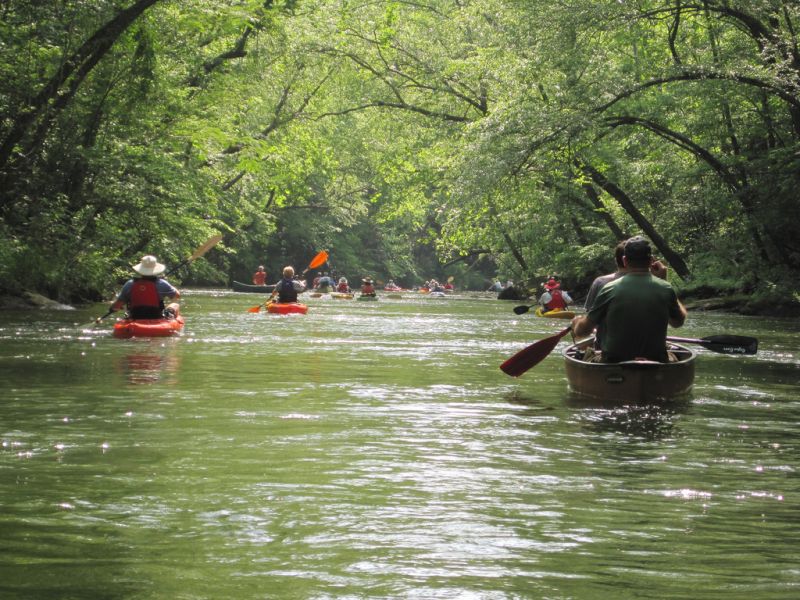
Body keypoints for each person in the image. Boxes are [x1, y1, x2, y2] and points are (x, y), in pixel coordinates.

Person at [571, 236, 687, 363]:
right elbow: (678, 322)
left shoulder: (609, 289)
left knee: (587, 354)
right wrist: (664, 281)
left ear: (625, 261)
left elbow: (583, 331)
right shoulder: (665, 288)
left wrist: (576, 323)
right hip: (655, 361)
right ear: (651, 261)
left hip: (613, 361)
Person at [583, 241, 628, 349]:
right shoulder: (658, 285)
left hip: (608, 350)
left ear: (617, 260)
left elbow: (588, 325)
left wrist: (576, 324)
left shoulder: (601, 282)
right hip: (649, 352)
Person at [109, 255, 180, 319]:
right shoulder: (162, 283)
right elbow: (177, 295)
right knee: (175, 305)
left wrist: (112, 309)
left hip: (134, 316)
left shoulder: (129, 284)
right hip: (156, 317)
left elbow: (116, 306)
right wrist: (169, 285)